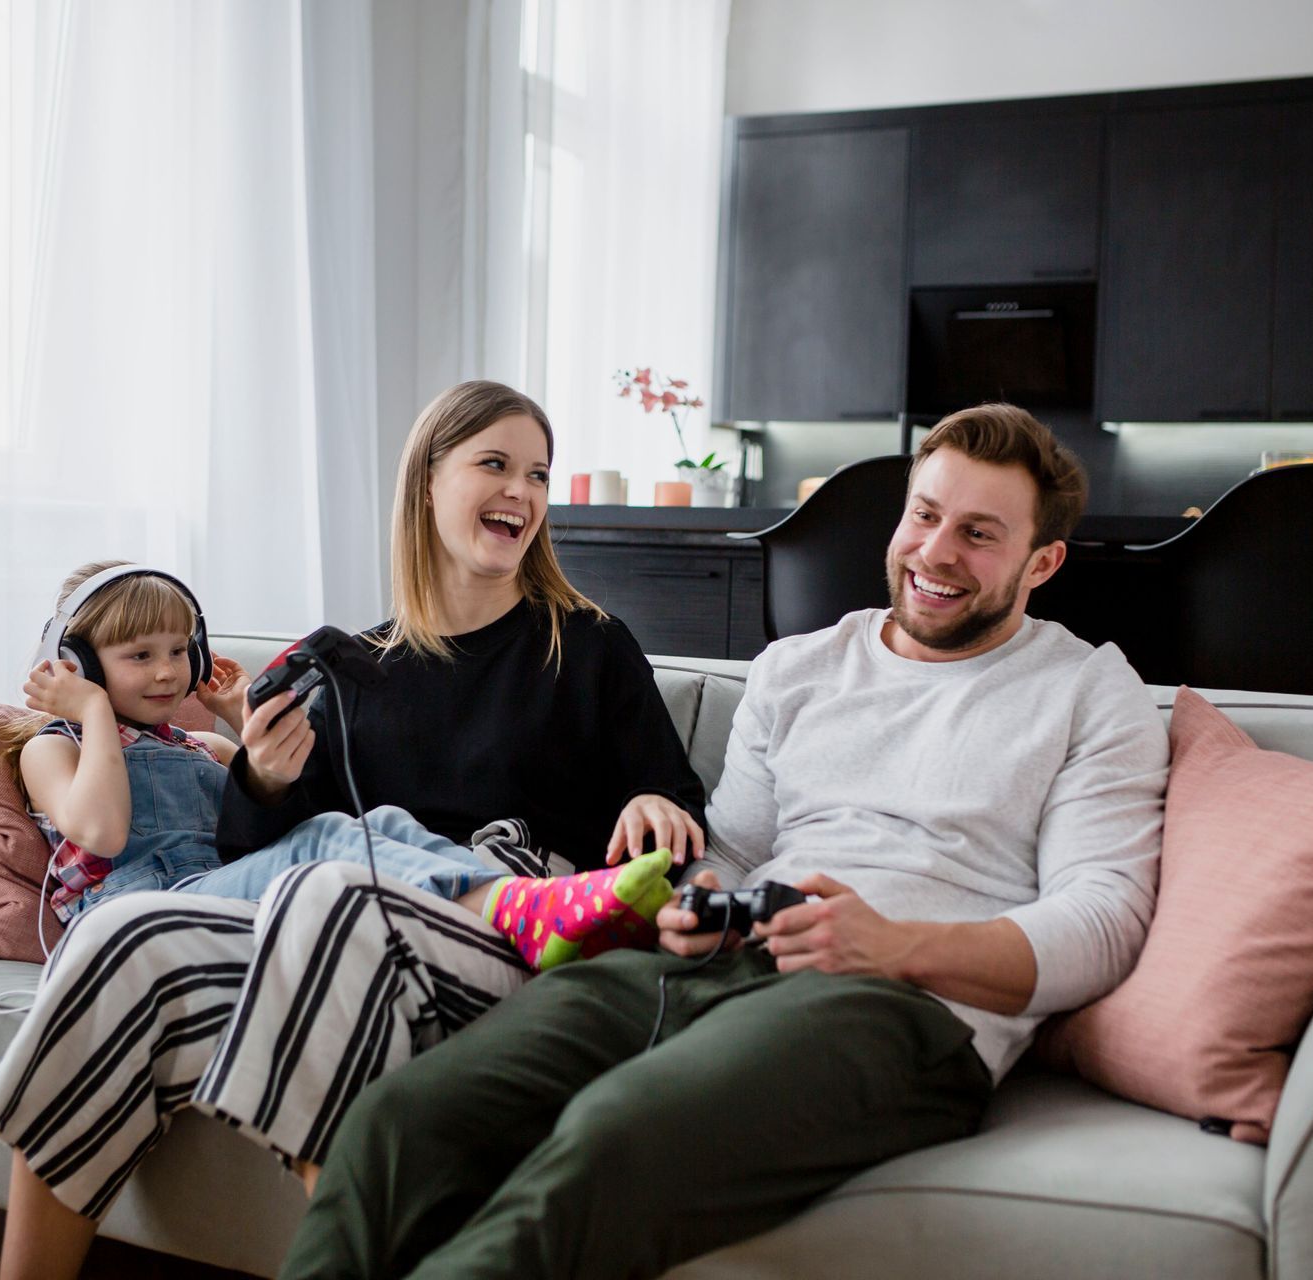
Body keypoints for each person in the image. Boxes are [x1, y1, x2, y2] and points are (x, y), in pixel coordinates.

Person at [279, 401, 1172, 1280]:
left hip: (899, 1007)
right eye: (926, 515)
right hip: (715, 965)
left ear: (1042, 560)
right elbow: (735, 852)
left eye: (980, 534)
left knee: (618, 1135)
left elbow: (1103, 923)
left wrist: (896, 945)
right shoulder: (800, 669)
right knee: (405, 1119)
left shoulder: (1090, 690)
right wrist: (696, 897)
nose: (937, 552)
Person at [0, 381, 709, 1280]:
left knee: (333, 883)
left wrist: (653, 807)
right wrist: (265, 773)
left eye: (539, 474)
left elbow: (674, 801)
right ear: (427, 483)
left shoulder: (586, 643)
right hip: (338, 924)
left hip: (524, 936)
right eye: (495, 464)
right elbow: (252, 850)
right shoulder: (356, 668)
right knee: (124, 929)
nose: (523, 490)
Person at [0, 559, 680, 955]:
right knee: (324, 838)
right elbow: (104, 831)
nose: (169, 673)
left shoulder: (199, 744)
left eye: (179, 651)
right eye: (139, 657)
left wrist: (241, 720)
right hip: (135, 922)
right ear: (78, 662)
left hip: (219, 903)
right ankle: (522, 912)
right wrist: (85, 708)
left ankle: (522, 904)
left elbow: (257, 825)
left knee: (375, 821)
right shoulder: (56, 748)